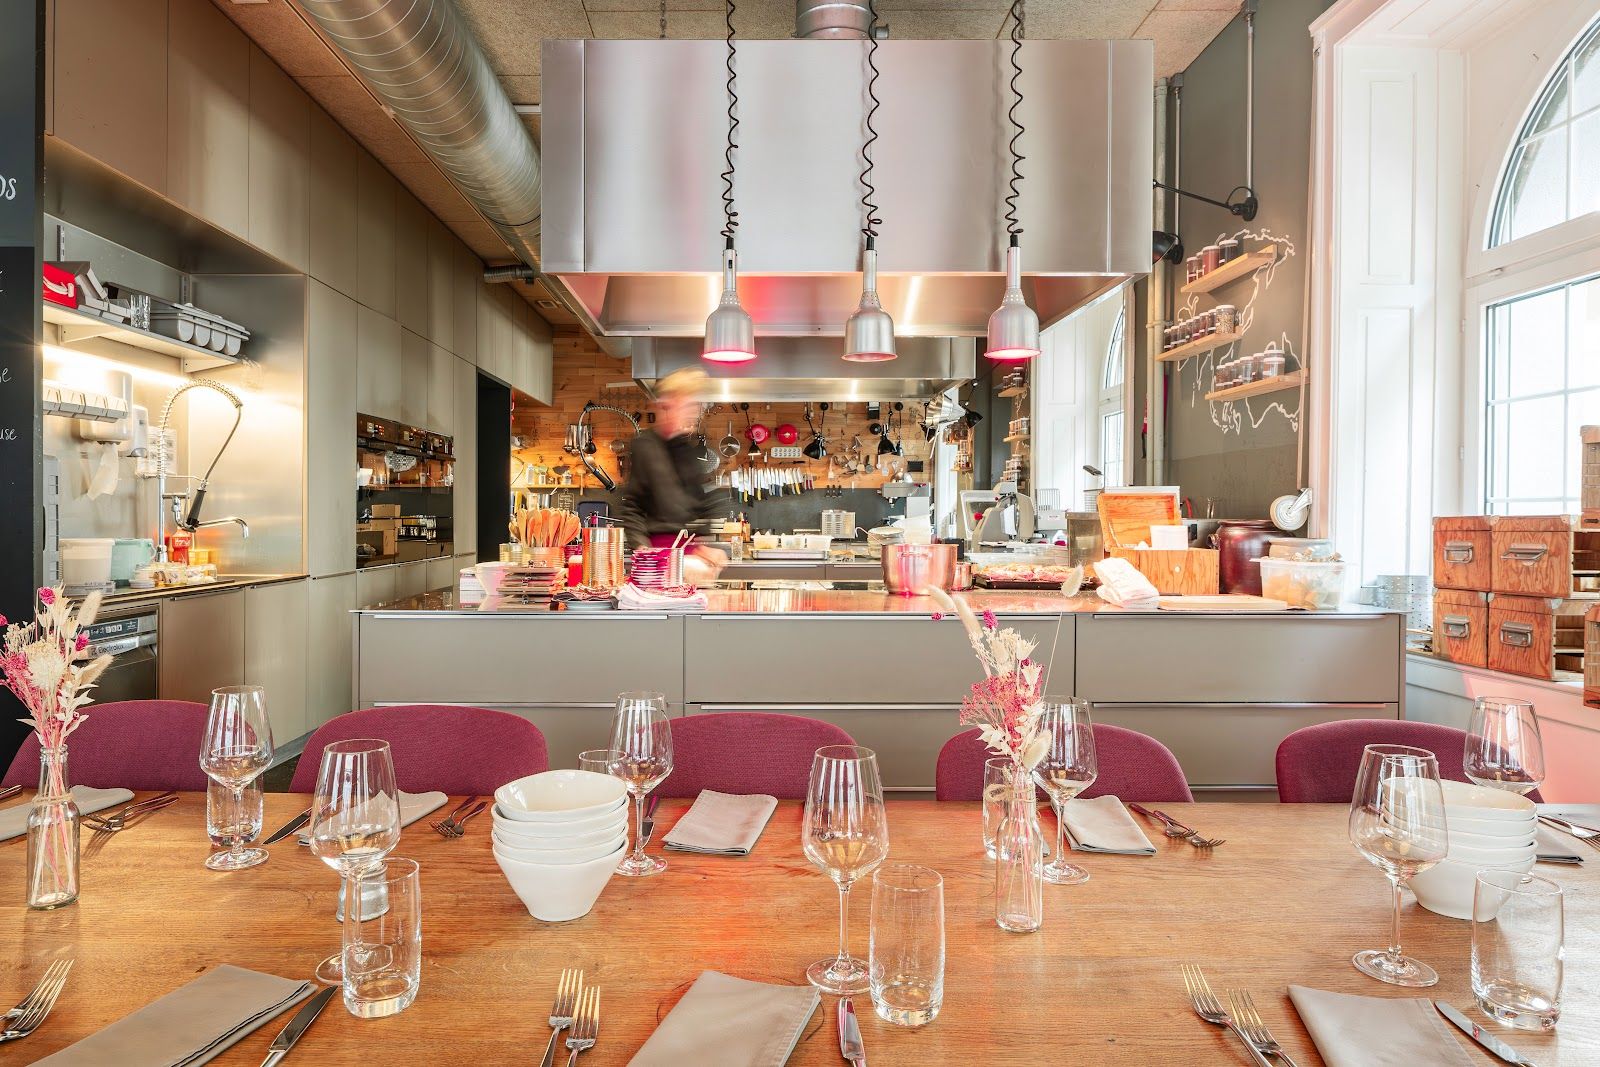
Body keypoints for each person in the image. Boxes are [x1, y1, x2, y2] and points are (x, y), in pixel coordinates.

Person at [614, 368, 729, 584]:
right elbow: (632, 506)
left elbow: (703, 502)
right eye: (687, 405)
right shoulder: (644, 446)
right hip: (656, 553)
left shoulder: (687, 448)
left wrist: (705, 545)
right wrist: (641, 547)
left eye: (695, 406)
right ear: (667, 404)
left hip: (690, 554)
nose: (693, 413)